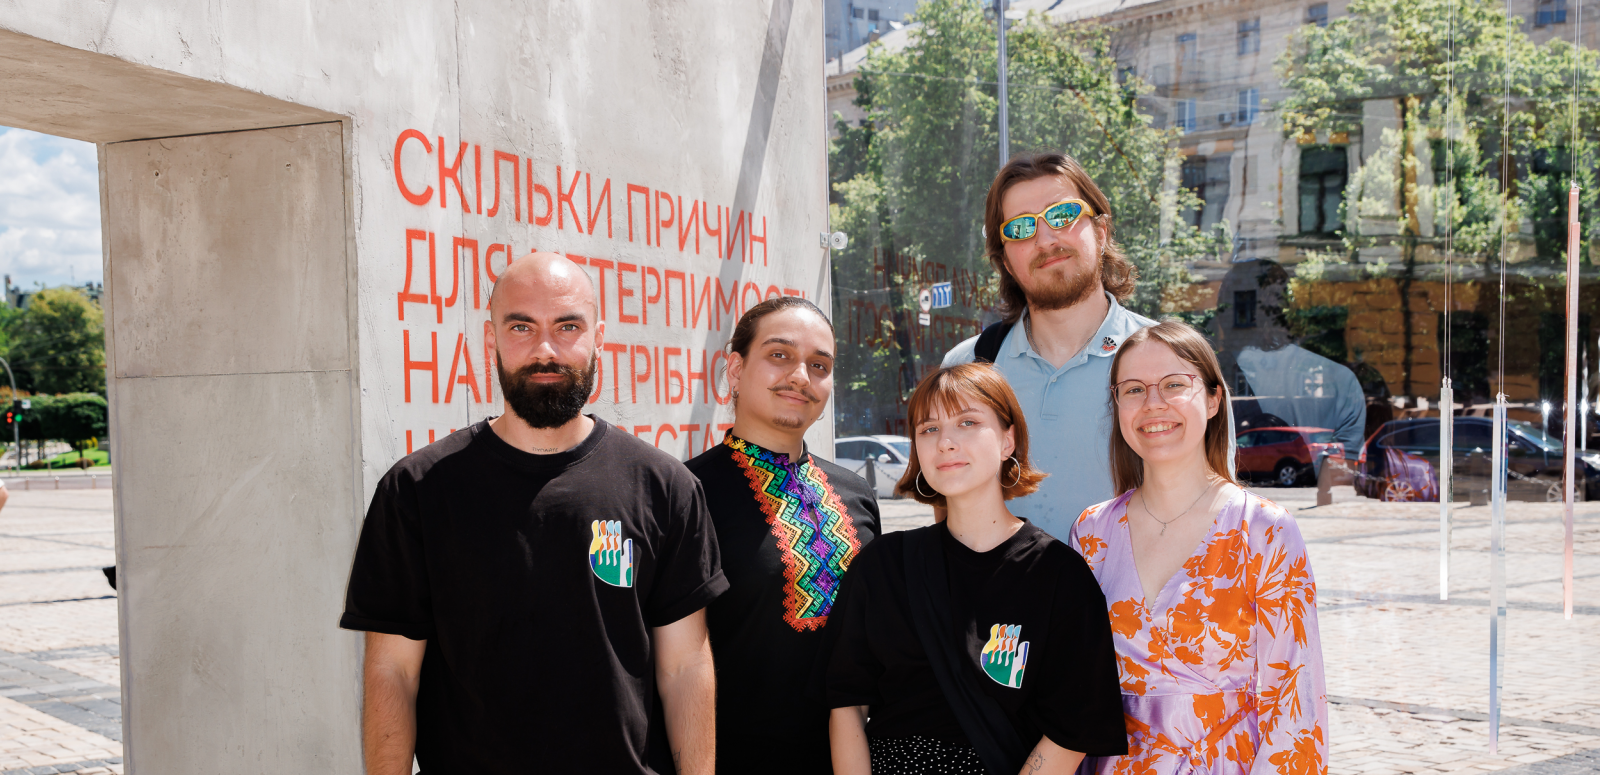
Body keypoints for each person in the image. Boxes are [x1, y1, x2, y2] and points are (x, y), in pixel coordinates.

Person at [340, 252, 726, 775]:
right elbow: (393, 672)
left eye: (568, 326)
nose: (546, 350)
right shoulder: (417, 490)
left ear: (599, 338)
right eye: (521, 326)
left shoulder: (664, 486)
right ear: (490, 339)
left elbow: (684, 667)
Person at [817, 364, 1127, 775]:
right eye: (928, 429)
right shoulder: (883, 565)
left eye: (968, 422)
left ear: (1007, 440)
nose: (945, 442)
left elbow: (1074, 724)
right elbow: (847, 702)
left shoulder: (1058, 574)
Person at [1069, 319, 1328, 775]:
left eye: (1174, 384)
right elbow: (1073, 693)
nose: (1153, 404)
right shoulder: (1091, 533)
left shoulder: (1264, 530)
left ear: (1212, 399)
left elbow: (1294, 706)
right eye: (1132, 390)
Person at [686, 296, 880, 775]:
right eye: (779, 355)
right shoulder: (684, 495)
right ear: (734, 369)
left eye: (819, 365)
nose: (800, 376)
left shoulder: (856, 493)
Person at [943, 153, 1156, 539]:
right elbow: (949, 513)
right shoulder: (968, 367)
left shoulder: (1172, 363)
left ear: (1102, 231)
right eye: (1021, 228)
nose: (1045, 239)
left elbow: (1211, 513)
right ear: (1006, 260)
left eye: (1062, 215)